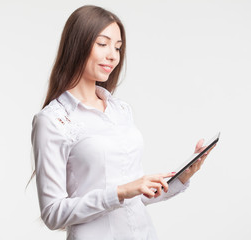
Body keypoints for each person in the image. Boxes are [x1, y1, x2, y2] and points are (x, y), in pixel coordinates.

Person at [31, 5, 215, 240]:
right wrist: (120, 192)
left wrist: (182, 176)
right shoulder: (53, 120)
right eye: (103, 44)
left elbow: (134, 197)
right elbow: (53, 214)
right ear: (77, 44)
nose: (113, 55)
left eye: (117, 48)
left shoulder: (121, 110)